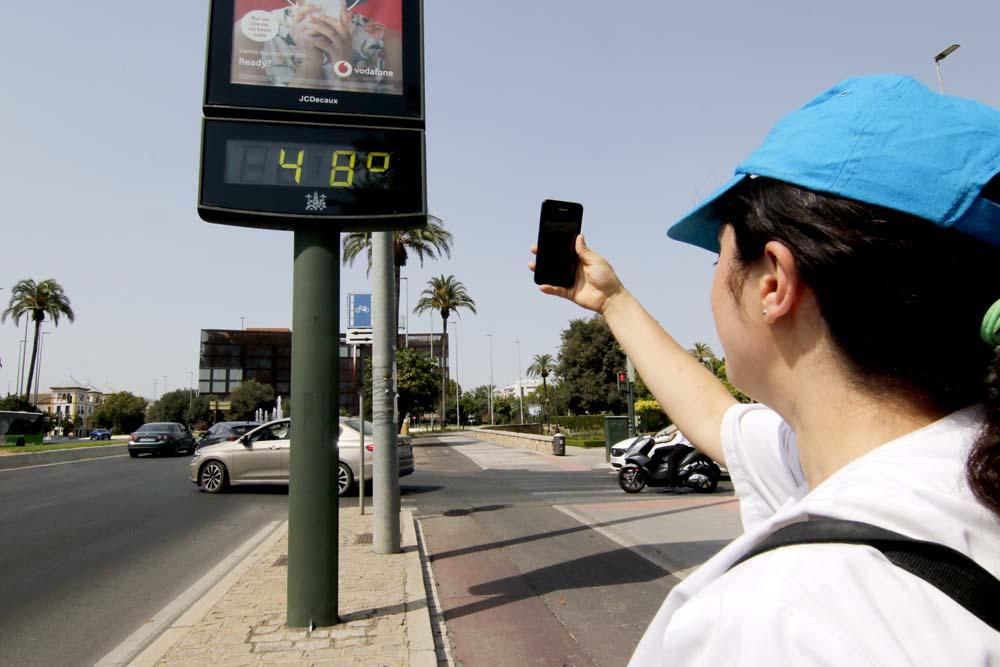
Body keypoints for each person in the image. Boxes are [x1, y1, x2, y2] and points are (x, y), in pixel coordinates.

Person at [532, 74, 1000, 664]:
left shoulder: (775, 623)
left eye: (721, 253)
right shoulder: (958, 463)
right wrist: (613, 300)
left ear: (773, 282)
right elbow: (716, 418)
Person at [231, 0, 403, 95]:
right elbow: (254, 125)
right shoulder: (251, 33)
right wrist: (308, 64)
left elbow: (385, 128)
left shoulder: (389, 40)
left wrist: (345, 67)